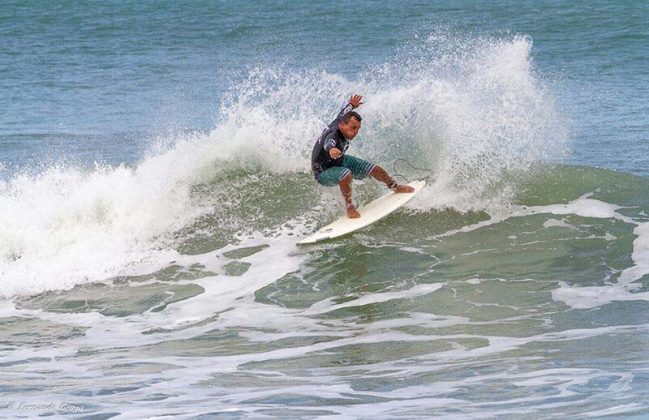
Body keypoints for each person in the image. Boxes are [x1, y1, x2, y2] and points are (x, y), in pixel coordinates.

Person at [311, 94, 414, 218]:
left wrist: (352, 105)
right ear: (342, 125)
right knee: (345, 174)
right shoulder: (333, 135)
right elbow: (329, 142)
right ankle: (350, 208)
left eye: (358, 128)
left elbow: (345, 111)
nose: (355, 132)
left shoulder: (342, 119)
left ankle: (394, 187)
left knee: (374, 169)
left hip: (339, 160)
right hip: (323, 172)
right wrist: (331, 149)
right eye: (353, 128)